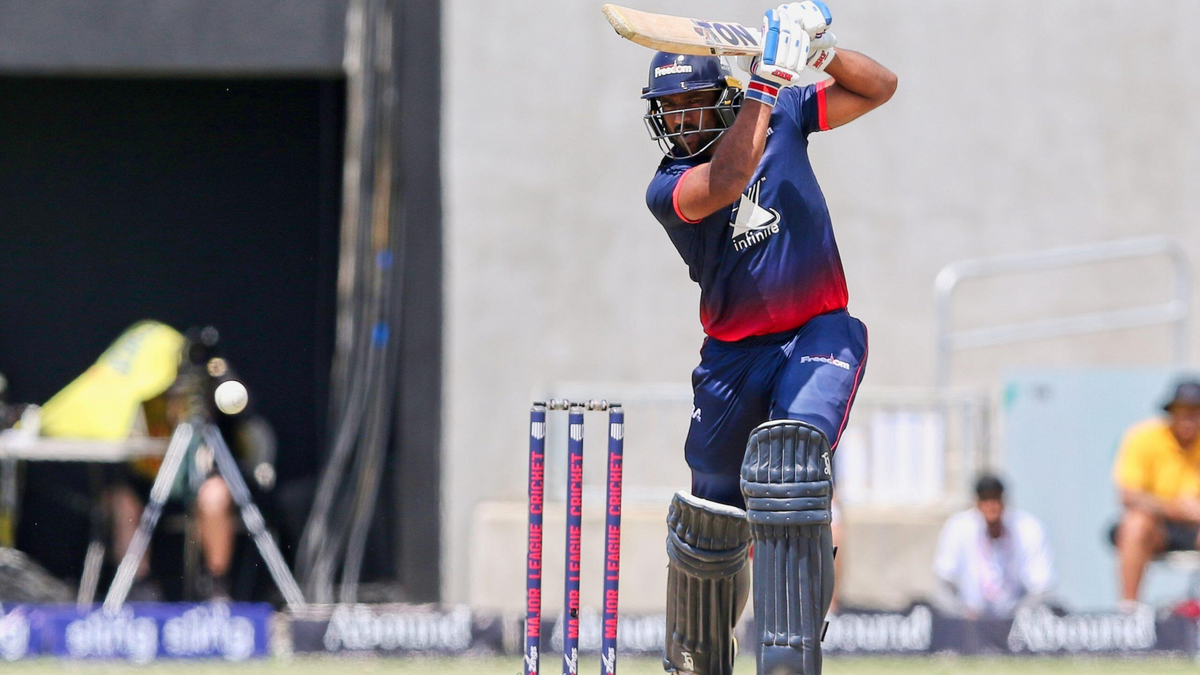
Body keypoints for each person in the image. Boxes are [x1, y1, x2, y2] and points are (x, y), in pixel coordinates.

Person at [639, 4, 896, 674]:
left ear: (722, 99)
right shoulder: (669, 187)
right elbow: (729, 180)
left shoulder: (781, 114)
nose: (683, 122)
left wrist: (821, 51)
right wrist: (767, 80)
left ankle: (789, 657)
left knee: (791, 469)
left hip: (818, 330)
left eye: (695, 105)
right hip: (732, 357)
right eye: (671, 111)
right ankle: (698, 657)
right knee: (709, 523)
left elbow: (879, 87)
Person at [1112, 379, 1200, 606]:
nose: (1188, 419)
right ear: (1170, 413)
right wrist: (1177, 509)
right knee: (1135, 524)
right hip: (1158, 528)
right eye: (1182, 412)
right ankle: (1129, 611)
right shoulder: (1144, 438)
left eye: (1195, 412)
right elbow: (1128, 495)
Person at [932, 474, 1055, 618]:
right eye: (985, 500)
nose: (991, 507)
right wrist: (963, 613)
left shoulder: (1028, 528)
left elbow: (1041, 586)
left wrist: (1016, 616)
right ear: (977, 504)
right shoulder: (958, 527)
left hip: (1015, 619)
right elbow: (944, 580)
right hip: (969, 620)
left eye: (996, 499)